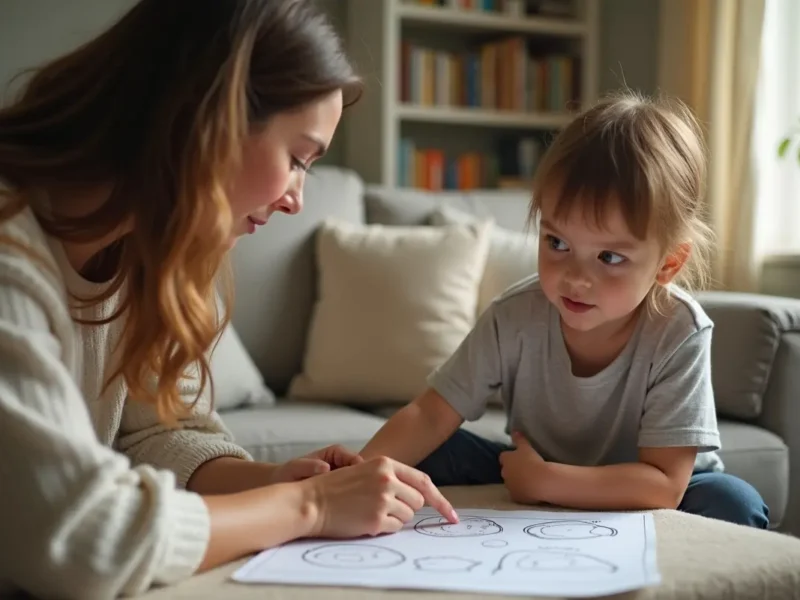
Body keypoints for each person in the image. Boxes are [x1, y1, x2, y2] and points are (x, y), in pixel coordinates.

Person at [0, 1, 457, 598]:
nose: (297, 199)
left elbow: (156, 434)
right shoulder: (14, 252)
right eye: (297, 158)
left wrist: (269, 481)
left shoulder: (149, 251)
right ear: (205, 118)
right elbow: (82, 539)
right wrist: (307, 504)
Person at [360, 92, 770, 530]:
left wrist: (545, 482)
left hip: (649, 482)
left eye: (609, 258)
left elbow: (664, 485)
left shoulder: (678, 330)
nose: (575, 278)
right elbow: (430, 413)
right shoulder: (514, 315)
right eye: (557, 243)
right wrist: (353, 471)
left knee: (735, 503)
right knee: (434, 449)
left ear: (668, 264)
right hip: (537, 464)